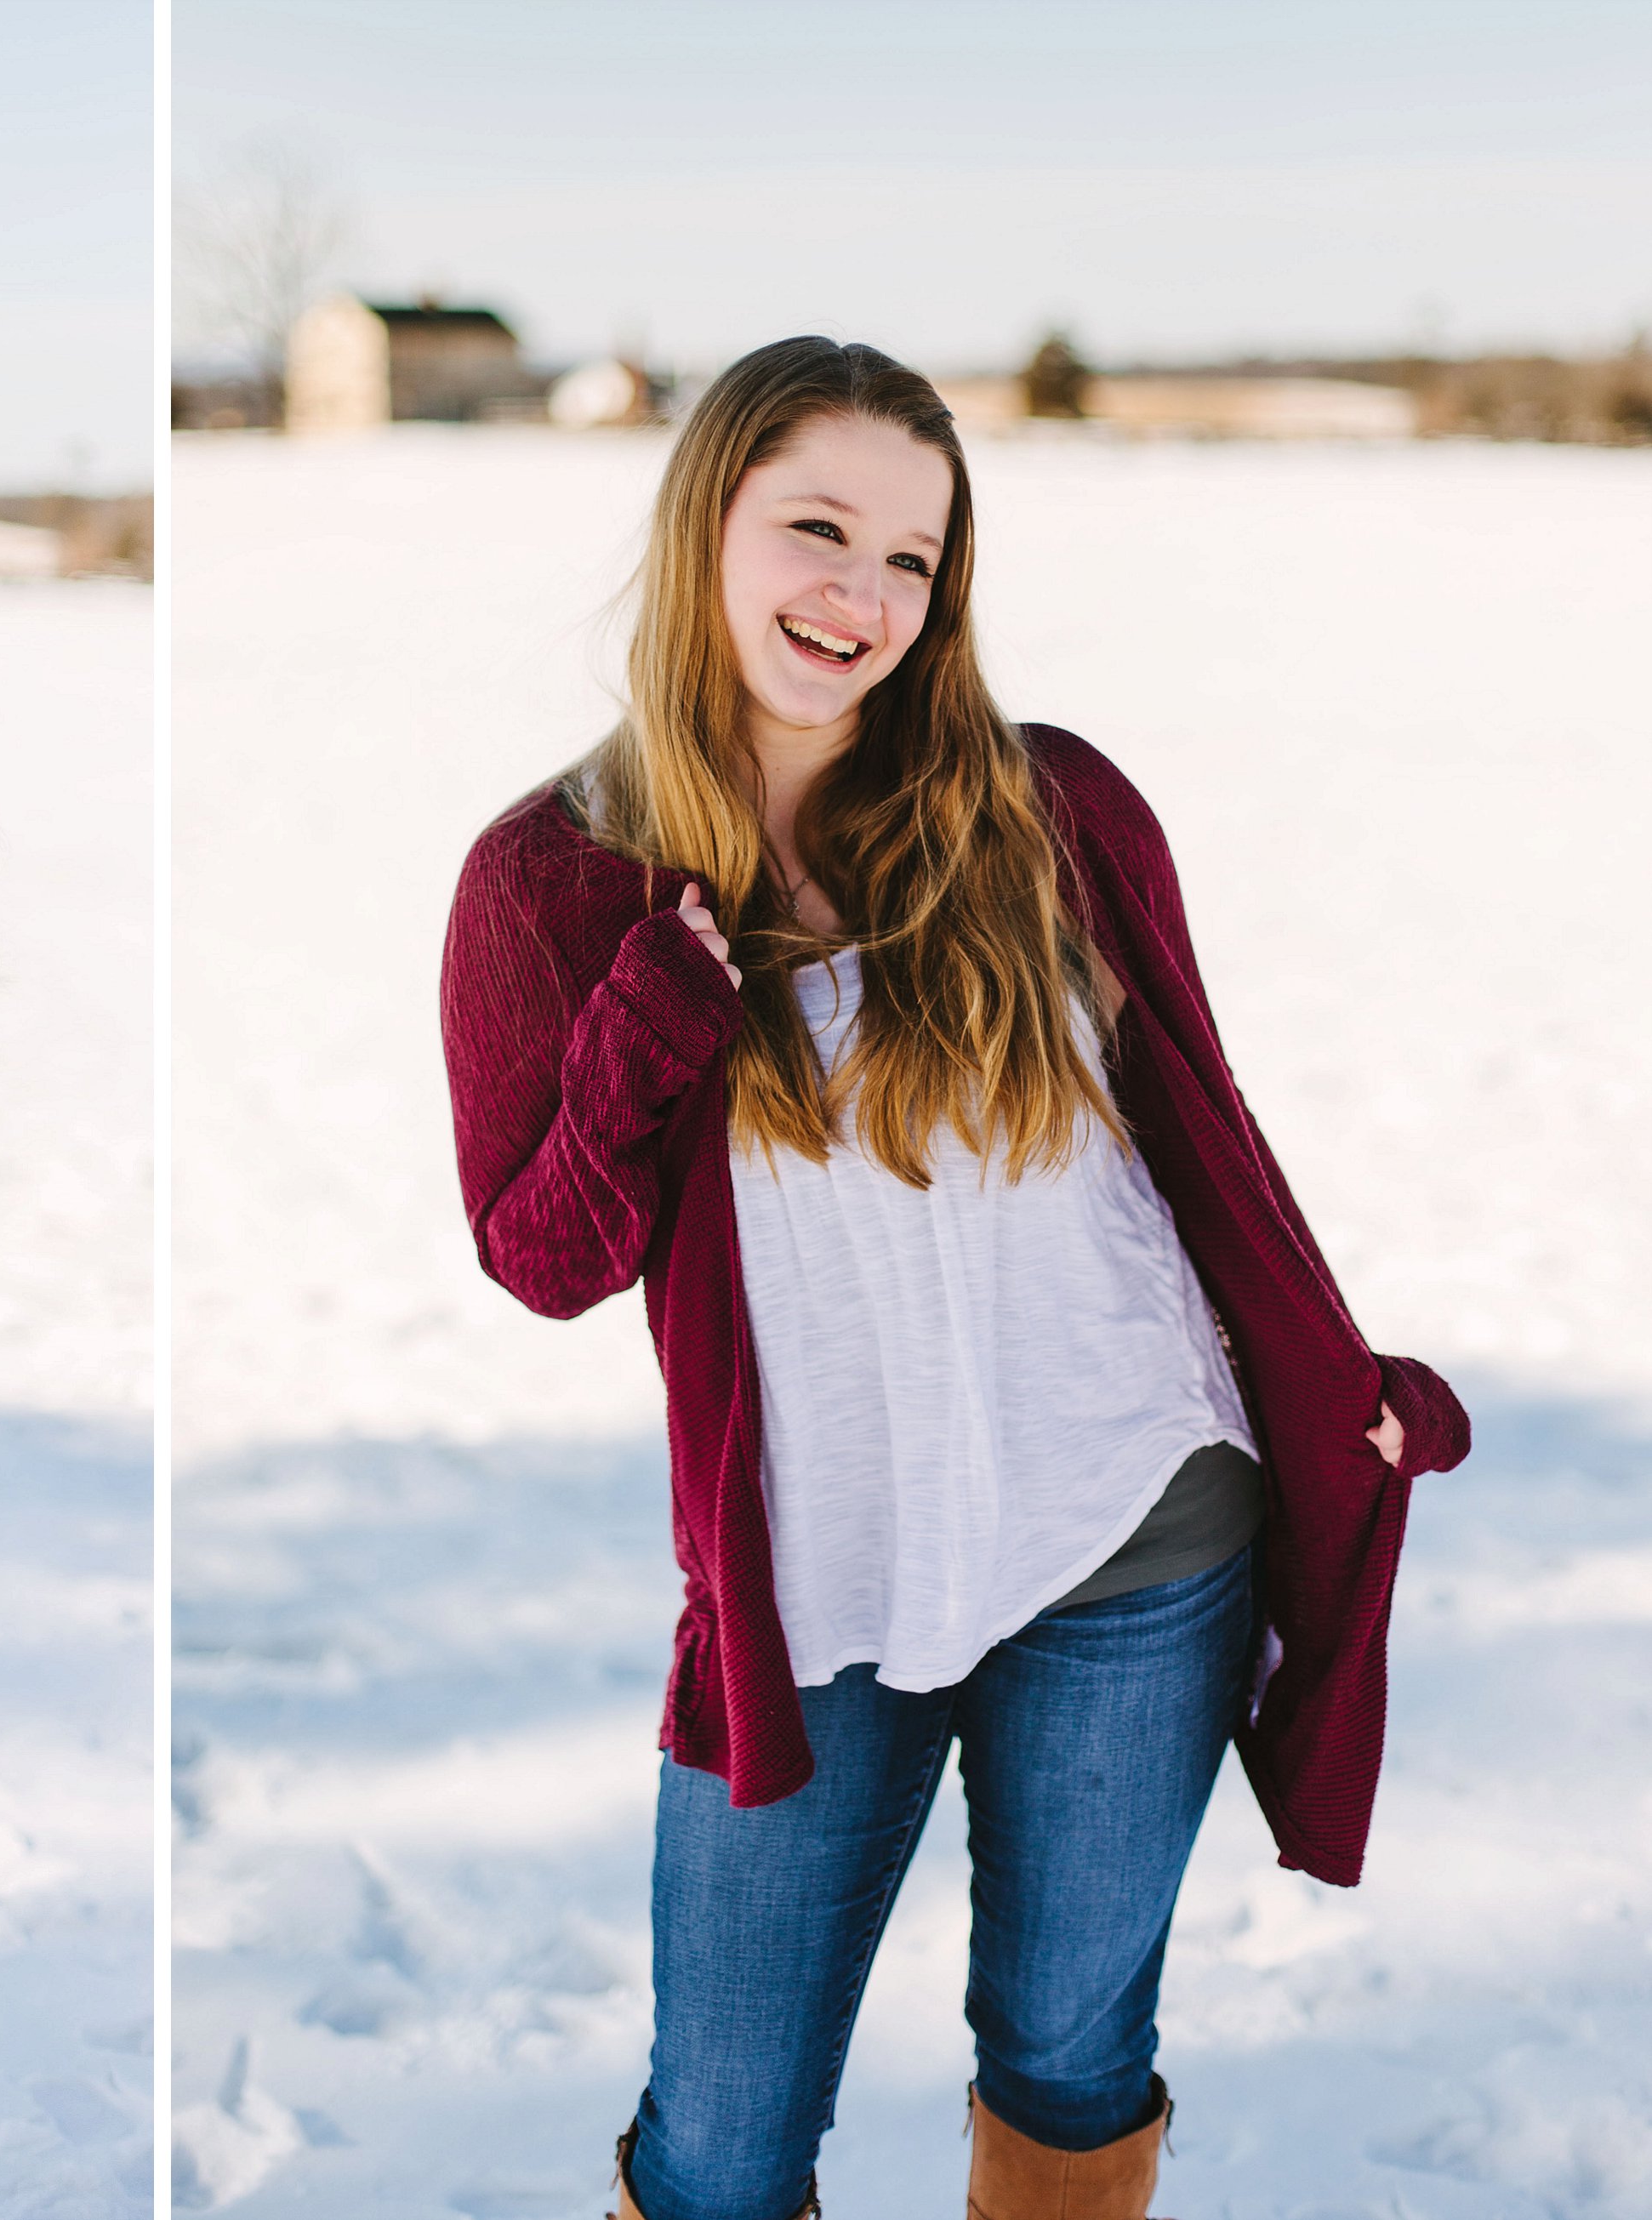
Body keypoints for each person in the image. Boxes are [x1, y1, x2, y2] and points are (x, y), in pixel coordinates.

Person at [437, 338, 1470, 2220]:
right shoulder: (552, 880)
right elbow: (542, 1258)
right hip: (818, 1575)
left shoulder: (1052, 812)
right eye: (817, 531)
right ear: (706, 532)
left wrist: (1333, 1377)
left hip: (1136, 1530)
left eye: (911, 558)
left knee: (1070, 2068)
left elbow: (1203, 1146)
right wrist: (646, 1027)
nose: (861, 597)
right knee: (722, 2142)